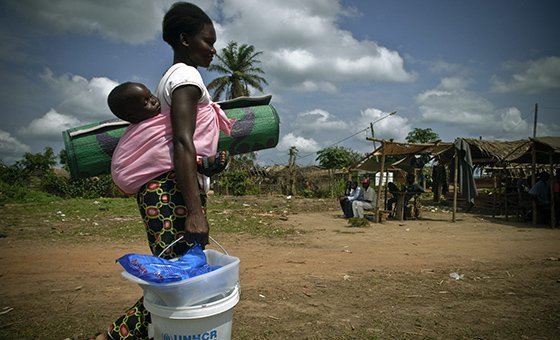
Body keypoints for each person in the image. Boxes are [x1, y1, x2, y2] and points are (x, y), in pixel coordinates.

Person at [96, 3, 234, 340]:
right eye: (207, 41)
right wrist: (196, 213)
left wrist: (207, 164)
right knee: (177, 281)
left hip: (169, 189)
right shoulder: (186, 77)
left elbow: (172, 144)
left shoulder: (170, 80)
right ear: (185, 40)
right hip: (170, 192)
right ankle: (113, 337)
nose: (213, 49)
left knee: (180, 276)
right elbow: (183, 144)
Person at [107, 81, 229, 181]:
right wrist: (203, 111)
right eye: (146, 103)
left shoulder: (160, 119)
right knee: (163, 152)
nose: (154, 101)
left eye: (151, 95)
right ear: (132, 117)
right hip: (131, 175)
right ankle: (198, 162)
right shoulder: (140, 131)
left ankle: (198, 162)